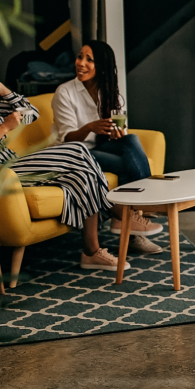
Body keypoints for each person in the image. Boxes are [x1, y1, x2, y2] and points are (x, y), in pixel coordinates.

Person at [0, 40, 127, 271]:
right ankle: (119, 210)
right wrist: (5, 128)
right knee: (78, 151)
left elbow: (31, 112)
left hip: (11, 163)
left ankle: (91, 251)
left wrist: (1, 88)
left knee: (82, 174)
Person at [52, 40, 163, 254]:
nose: (81, 63)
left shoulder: (112, 94)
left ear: (102, 66)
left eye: (89, 59)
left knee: (130, 141)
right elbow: (67, 138)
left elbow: (122, 130)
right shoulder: (65, 92)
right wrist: (90, 127)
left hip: (101, 149)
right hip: (74, 152)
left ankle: (130, 218)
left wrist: (117, 134)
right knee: (124, 164)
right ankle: (132, 217)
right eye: (80, 57)